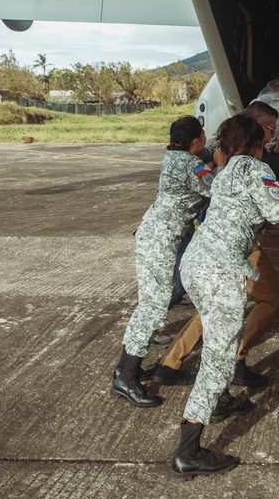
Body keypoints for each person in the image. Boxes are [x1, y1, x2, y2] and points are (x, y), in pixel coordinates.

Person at [172, 114, 279, 479]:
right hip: (220, 271)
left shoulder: (225, 174)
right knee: (218, 358)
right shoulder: (256, 168)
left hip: (196, 263)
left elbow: (258, 201)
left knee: (219, 339)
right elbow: (278, 212)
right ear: (257, 147)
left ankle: (220, 400)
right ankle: (187, 451)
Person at [145, 101, 279, 388]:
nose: (274, 135)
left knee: (210, 310)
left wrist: (274, 152)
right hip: (237, 250)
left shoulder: (224, 159)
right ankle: (234, 360)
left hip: (206, 248)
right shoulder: (258, 166)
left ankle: (169, 363)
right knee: (271, 299)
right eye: (271, 130)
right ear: (258, 131)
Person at [111, 116, 214, 408]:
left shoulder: (176, 156)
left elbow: (205, 157)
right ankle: (126, 377)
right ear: (194, 141)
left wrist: (215, 151)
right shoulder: (190, 166)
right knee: (152, 309)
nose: (205, 142)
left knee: (151, 305)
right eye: (204, 137)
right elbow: (217, 188)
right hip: (159, 241)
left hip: (154, 236)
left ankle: (124, 368)